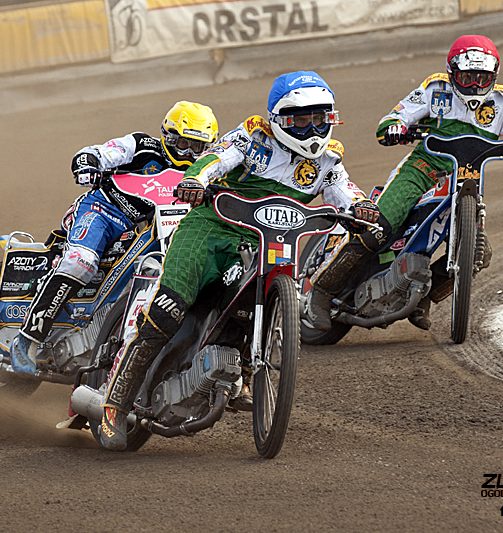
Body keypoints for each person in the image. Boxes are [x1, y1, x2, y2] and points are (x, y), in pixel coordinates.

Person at [94, 71, 377, 450]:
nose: (312, 129)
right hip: (209, 231)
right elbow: (215, 158)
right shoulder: (253, 135)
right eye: (300, 120)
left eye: (319, 118)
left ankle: (243, 368)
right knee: (168, 309)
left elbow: (344, 189)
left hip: (263, 241)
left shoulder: (328, 158)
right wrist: (195, 179)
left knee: (251, 299)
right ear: (279, 120)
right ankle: (114, 404)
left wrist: (362, 207)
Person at [306, 34, 503, 332]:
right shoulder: (434, 88)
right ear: (452, 73)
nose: (475, 85)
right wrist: (397, 128)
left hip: (467, 177)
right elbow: (391, 120)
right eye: (467, 77)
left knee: (479, 252)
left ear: (494, 75)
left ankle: (422, 297)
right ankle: (321, 294)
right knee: (379, 227)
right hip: (421, 169)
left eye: (482, 78)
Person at [9, 101, 219, 374]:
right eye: (183, 143)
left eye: (197, 147)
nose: (189, 152)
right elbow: (96, 153)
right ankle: (27, 339)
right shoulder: (141, 145)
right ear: (168, 136)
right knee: (81, 262)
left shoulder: (204, 172)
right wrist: (89, 163)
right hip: (103, 211)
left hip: (147, 229)